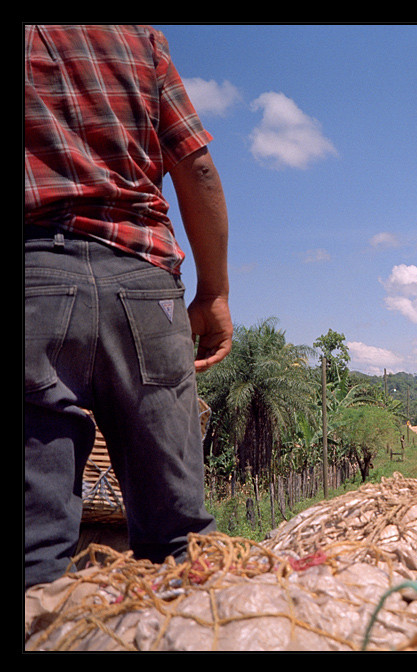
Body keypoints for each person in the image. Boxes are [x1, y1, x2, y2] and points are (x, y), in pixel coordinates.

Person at [24, 24, 233, 590]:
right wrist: (213, 293)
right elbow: (198, 167)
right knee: (181, 543)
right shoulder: (140, 41)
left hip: (33, 281)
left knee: (35, 554)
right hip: (144, 285)